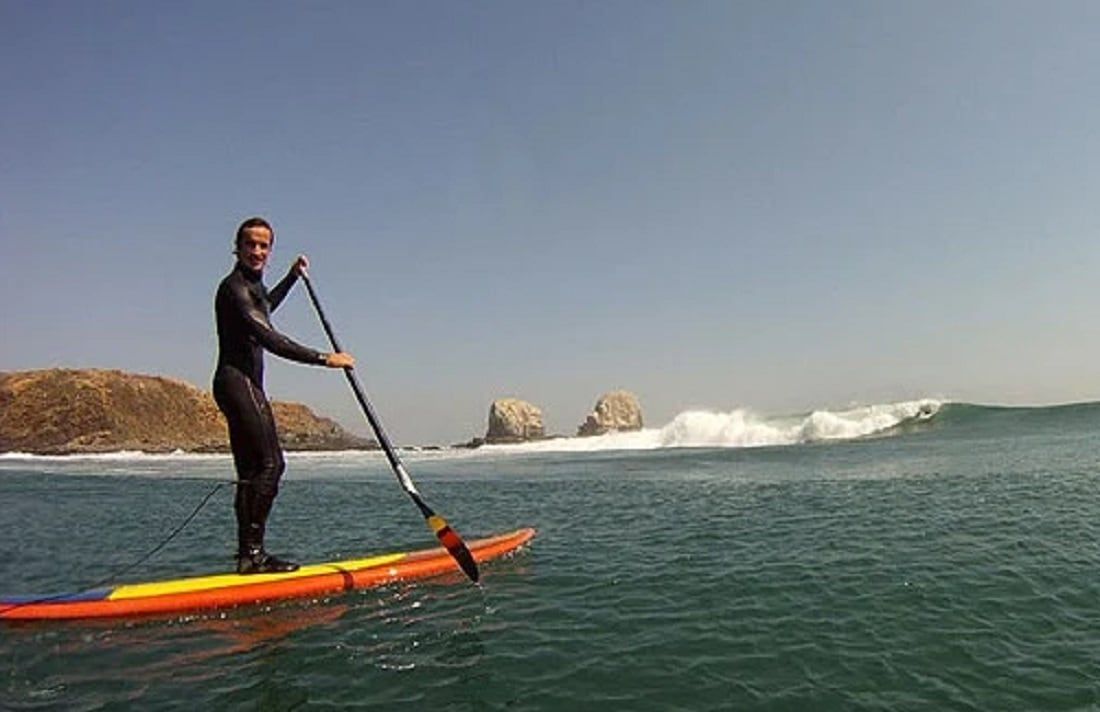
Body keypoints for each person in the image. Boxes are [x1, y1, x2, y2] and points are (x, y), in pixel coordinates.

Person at [213, 217, 354, 574]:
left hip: (241, 385)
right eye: (251, 244)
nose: (257, 251)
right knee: (271, 464)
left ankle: (247, 557)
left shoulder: (253, 288)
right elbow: (268, 337)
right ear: (238, 247)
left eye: (264, 246)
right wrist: (324, 358)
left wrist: (291, 277)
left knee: (251, 472)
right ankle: (254, 555)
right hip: (237, 383)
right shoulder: (233, 289)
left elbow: (266, 307)